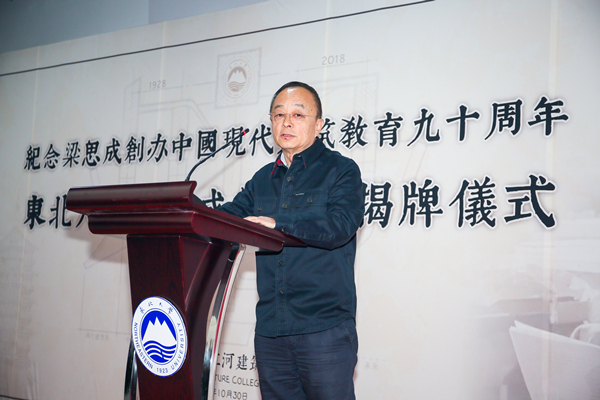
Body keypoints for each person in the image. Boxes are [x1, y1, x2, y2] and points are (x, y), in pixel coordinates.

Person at [218, 81, 363, 400]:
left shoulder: (341, 170)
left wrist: (278, 224)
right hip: (271, 330)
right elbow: (226, 218)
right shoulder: (262, 179)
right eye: (279, 114)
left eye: (298, 114)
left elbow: (340, 226)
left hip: (323, 327)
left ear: (318, 124)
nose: (286, 122)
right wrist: (185, 209)